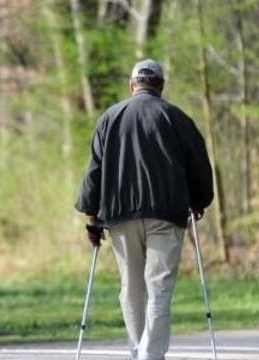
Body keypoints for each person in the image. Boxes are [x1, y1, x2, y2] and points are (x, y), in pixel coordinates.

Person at [76, 59, 214, 360]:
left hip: (120, 215)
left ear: (132, 84)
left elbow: (94, 171)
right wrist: (199, 200)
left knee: (131, 288)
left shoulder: (109, 118)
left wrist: (91, 216)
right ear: (161, 86)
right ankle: (149, 356)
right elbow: (199, 164)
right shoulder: (176, 118)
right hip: (166, 214)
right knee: (159, 288)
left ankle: (139, 352)